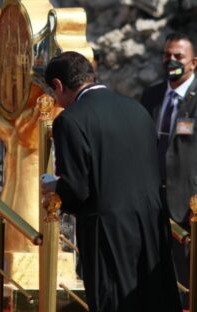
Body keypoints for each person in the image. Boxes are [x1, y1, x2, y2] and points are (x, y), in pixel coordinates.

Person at [41, 52, 180, 312]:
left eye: (53, 92)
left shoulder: (71, 120)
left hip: (108, 233)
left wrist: (53, 187)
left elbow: (77, 190)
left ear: (59, 85)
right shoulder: (137, 109)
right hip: (151, 226)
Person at [139, 32, 197, 305]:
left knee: (187, 282)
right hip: (152, 204)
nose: (171, 61)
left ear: (193, 62)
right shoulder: (152, 95)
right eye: (167, 55)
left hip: (189, 208)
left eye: (178, 57)